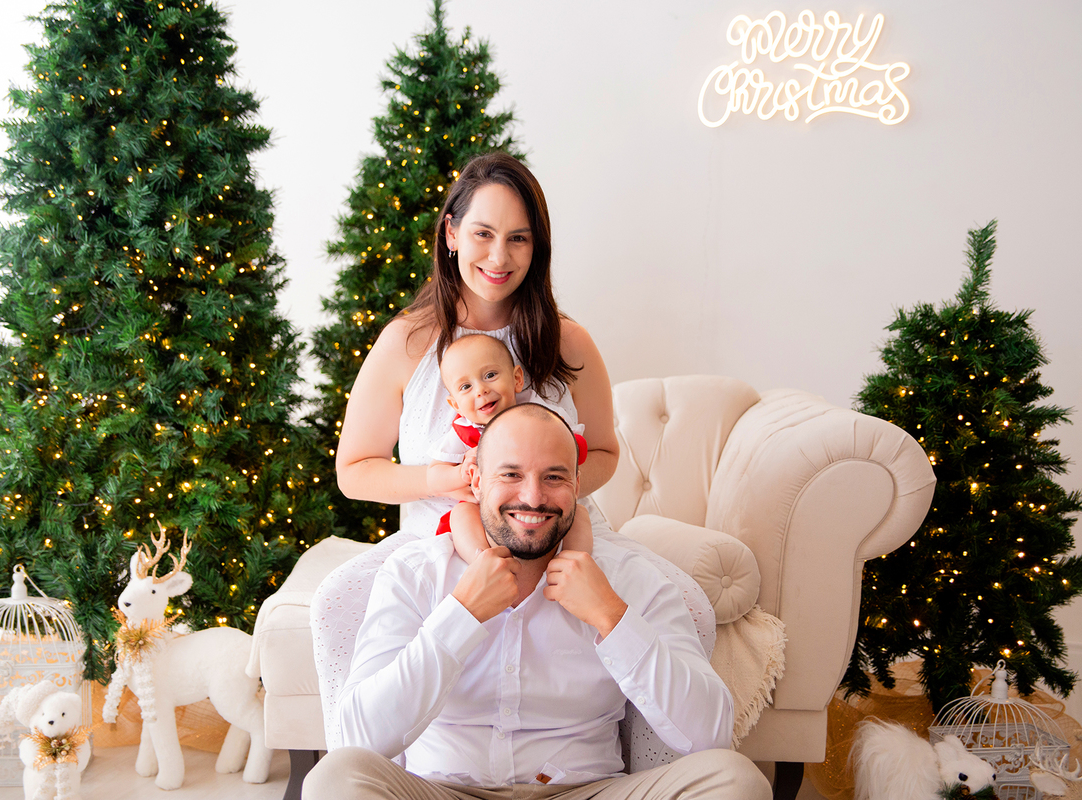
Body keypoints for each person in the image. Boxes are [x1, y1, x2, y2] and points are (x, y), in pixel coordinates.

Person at [314, 152, 716, 749]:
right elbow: (354, 471)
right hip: (442, 537)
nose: (499, 258)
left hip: (558, 530)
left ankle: (651, 770)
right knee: (333, 603)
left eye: (519, 239)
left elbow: (603, 452)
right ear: (451, 233)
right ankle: (378, 766)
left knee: (692, 606)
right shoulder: (408, 342)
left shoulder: (567, 340)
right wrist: (449, 482)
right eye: (482, 234)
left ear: (537, 248)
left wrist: (542, 489)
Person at [304, 404, 770, 799]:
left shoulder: (631, 579)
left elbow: (709, 734)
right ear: (475, 479)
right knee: (334, 781)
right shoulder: (416, 574)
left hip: (585, 789)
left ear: (576, 484)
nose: (533, 496)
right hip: (443, 790)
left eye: (553, 477)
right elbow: (359, 738)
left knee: (736, 782)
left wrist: (612, 618)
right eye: (511, 474)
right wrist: (461, 616)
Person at [429, 332, 593, 563]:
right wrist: (460, 472)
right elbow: (434, 477)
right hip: (487, 509)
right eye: (466, 386)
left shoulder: (540, 413)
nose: (480, 390)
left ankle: (573, 563)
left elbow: (579, 451)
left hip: (540, 510)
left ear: (517, 379)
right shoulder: (464, 429)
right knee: (461, 514)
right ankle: (484, 561)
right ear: (455, 404)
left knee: (580, 514)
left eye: (490, 375)